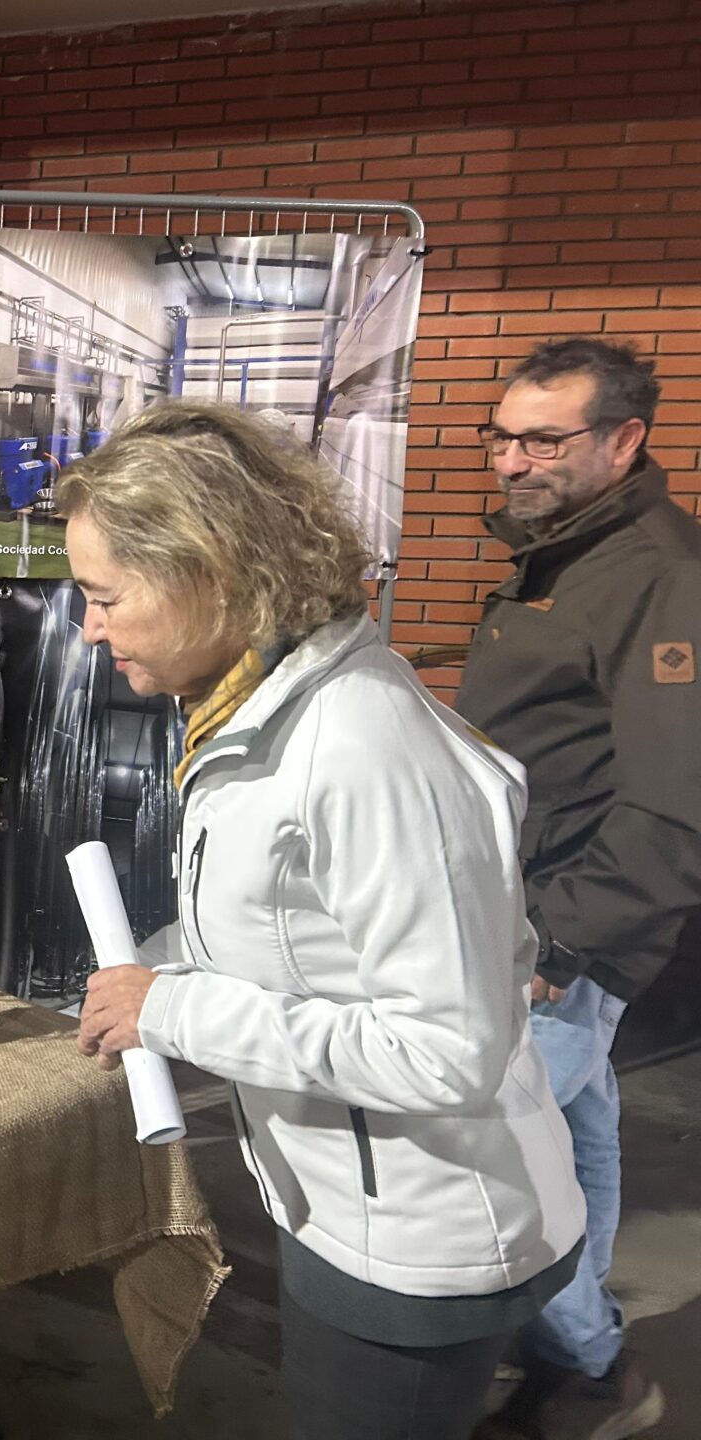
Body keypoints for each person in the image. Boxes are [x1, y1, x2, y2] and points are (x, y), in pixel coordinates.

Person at [69, 401, 586, 1440]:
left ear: (206, 570)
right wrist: (151, 981)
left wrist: (173, 1015)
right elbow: (292, 940)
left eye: (104, 597)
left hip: (423, 1238)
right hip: (344, 1200)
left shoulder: (360, 746)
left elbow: (448, 1051)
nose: (88, 628)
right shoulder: (257, 707)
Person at [456, 338, 697, 1440]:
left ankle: (593, 1364)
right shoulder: (566, 555)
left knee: (506, 1160)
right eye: (502, 437)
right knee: (576, 1126)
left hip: (563, 928)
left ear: (624, 440)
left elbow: (673, 804)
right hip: (531, 911)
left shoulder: (660, 576)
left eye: (543, 439)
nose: (512, 462)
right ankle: (583, 1344)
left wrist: (562, 944)